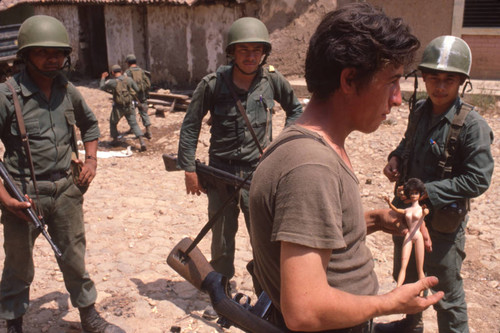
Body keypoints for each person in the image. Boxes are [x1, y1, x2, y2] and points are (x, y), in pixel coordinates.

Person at [249, 3, 444, 332]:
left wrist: (376, 219)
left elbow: (317, 234)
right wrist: (390, 302)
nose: (397, 99)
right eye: (391, 82)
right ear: (350, 80)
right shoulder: (311, 167)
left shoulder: (314, 145)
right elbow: (305, 310)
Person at [0, 15, 124, 333]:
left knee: (73, 255)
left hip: (66, 190)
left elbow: (91, 125)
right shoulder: (7, 96)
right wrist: (6, 200)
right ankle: (14, 321)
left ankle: (89, 315)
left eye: (58, 52)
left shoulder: (68, 91)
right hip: (23, 194)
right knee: (18, 264)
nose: (53, 58)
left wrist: (92, 160)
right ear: (26, 55)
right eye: (43, 52)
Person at [378, 36, 494, 333]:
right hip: (407, 214)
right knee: (406, 277)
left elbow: (479, 178)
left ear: (461, 83)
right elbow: (408, 144)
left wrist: (431, 190)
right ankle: (411, 325)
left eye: (448, 80)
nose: (439, 87)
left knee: (446, 293)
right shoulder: (419, 111)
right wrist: (395, 158)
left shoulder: (472, 125)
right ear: (424, 78)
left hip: (442, 223)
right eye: (433, 78)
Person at [177, 17, 302, 287]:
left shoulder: (271, 80)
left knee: (263, 235)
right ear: (232, 52)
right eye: (244, 50)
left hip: (259, 173)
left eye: (256, 50)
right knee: (221, 234)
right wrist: (188, 169)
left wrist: (279, 143)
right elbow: (190, 126)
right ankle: (220, 288)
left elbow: (296, 110)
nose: (250, 56)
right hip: (221, 172)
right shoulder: (213, 84)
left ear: (264, 52)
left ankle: (267, 290)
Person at [382, 178, 431, 288]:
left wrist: (424, 210)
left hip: (418, 236)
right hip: (409, 236)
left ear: (420, 194)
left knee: (420, 267)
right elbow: (396, 210)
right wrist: (389, 202)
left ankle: (422, 289)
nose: (413, 195)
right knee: (403, 264)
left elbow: (425, 213)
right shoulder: (407, 210)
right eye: (412, 193)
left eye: (416, 193)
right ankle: (398, 287)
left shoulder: (421, 209)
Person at [99, 64, 147, 151]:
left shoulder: (112, 82)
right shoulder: (128, 79)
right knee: (134, 123)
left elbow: (102, 87)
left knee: (113, 122)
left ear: (113, 73)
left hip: (118, 107)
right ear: (121, 71)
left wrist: (103, 77)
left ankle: (115, 139)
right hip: (129, 106)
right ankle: (142, 141)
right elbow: (136, 89)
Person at [124, 54, 152, 139]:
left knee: (131, 113)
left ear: (128, 63)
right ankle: (148, 131)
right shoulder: (141, 71)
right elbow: (148, 84)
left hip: (132, 96)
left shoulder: (128, 72)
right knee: (143, 112)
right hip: (142, 95)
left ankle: (133, 128)